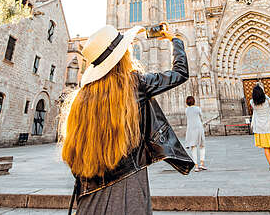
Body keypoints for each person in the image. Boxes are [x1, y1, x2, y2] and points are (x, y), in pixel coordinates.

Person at [60, 24, 194, 215]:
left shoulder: (81, 99)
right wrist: (175, 40)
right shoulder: (134, 84)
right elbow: (180, 73)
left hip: (89, 196)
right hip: (128, 187)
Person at [250, 85, 270, 172]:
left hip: (260, 128)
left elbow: (253, 101)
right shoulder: (267, 100)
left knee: (266, 148)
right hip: (269, 127)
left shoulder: (252, 102)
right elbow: (267, 97)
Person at [184, 96, 206, 171]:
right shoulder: (197, 108)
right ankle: (202, 164)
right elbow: (201, 117)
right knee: (202, 145)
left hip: (191, 129)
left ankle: (196, 166)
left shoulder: (186, 110)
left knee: (193, 147)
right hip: (198, 127)